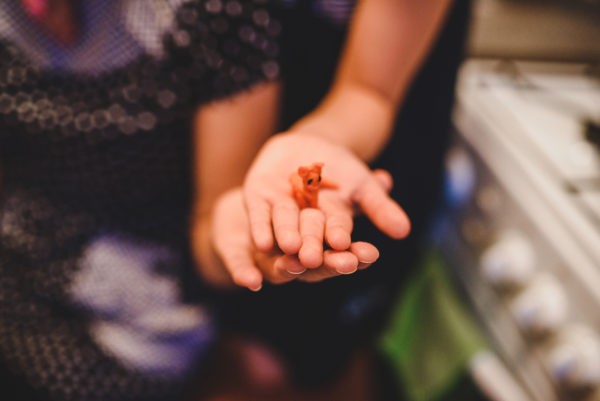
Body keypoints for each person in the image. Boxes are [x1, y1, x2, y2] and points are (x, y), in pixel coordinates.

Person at [0, 1, 469, 400]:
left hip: (342, 142)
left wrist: (313, 144)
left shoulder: (213, 25)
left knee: (309, 353)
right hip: (235, 153)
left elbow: (366, 92)